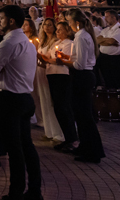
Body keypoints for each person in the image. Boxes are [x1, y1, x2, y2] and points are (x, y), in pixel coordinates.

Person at [0, 5, 42, 200]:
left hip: (10, 99)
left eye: (0, 18)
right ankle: (35, 191)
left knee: (15, 149)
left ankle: (16, 192)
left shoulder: (8, 43)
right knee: (26, 146)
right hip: (24, 97)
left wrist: (1, 69)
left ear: (10, 21)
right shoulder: (26, 42)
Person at [64, 9, 105, 163]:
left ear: (77, 23)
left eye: (69, 22)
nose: (69, 25)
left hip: (82, 77)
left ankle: (93, 151)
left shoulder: (81, 37)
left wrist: (63, 62)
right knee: (81, 116)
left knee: (84, 116)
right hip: (84, 76)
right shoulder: (84, 36)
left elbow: (79, 64)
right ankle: (85, 146)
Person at [42, 21, 78, 152]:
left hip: (62, 76)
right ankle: (67, 138)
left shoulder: (69, 44)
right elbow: (49, 57)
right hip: (52, 75)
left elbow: (62, 60)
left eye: (60, 30)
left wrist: (48, 60)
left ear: (67, 31)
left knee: (64, 107)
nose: (57, 32)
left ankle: (72, 139)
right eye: (57, 30)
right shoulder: (56, 44)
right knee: (57, 107)